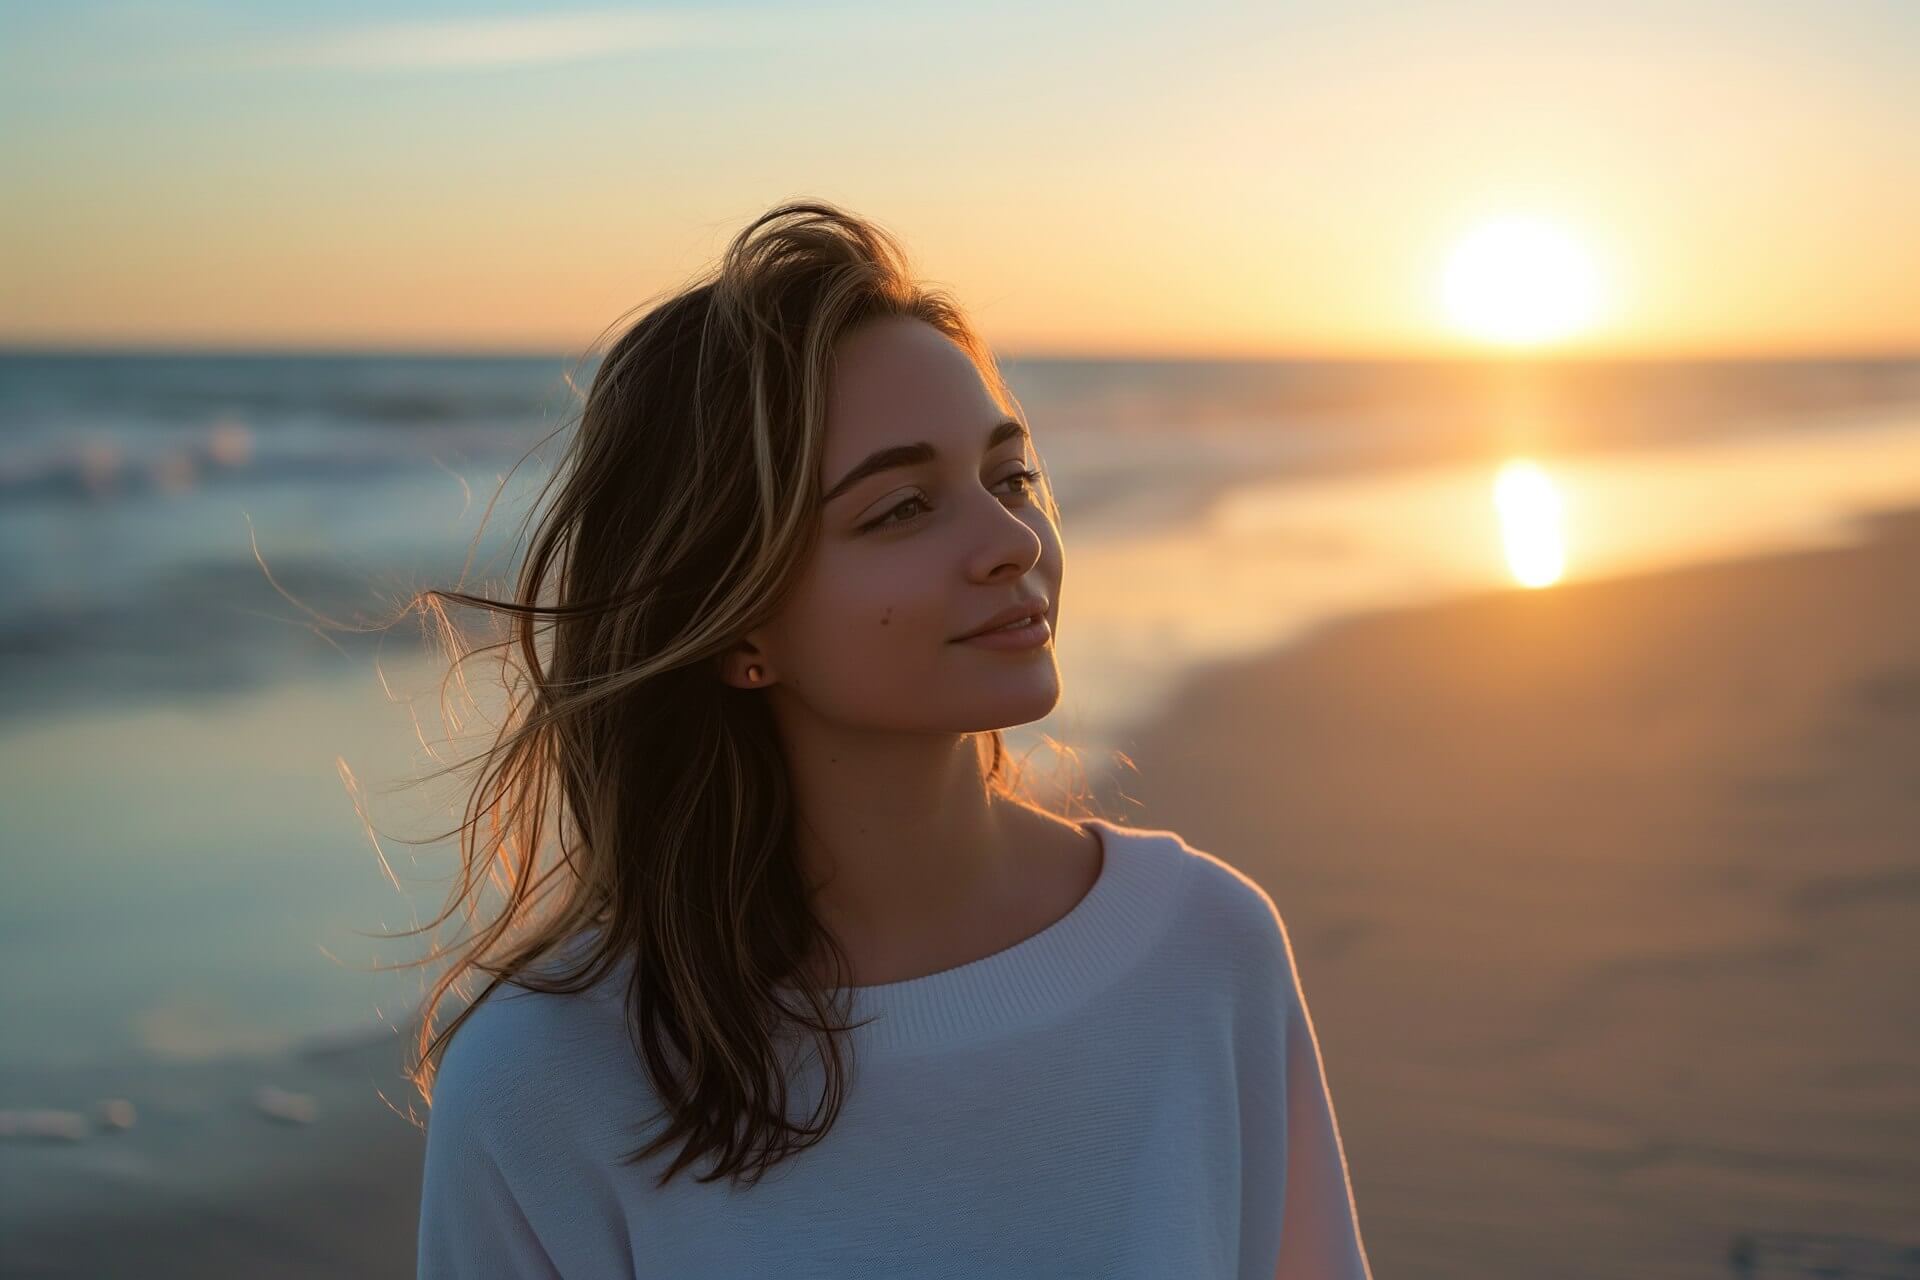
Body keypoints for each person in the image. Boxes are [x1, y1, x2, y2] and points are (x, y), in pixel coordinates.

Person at [409, 200, 1372, 1278]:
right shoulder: (550, 1076)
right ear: (736, 626)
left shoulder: (1206, 949)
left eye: (1010, 478)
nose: (1012, 540)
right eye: (903, 508)